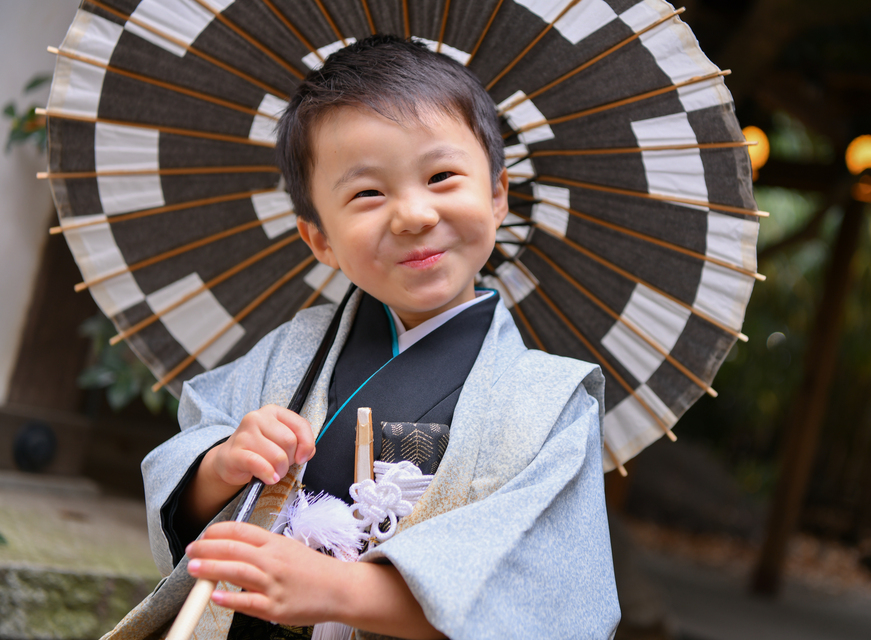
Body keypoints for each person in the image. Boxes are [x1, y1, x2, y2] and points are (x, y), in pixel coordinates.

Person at [113, 35, 619, 640]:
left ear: (496, 195)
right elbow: (186, 488)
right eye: (368, 193)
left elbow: (548, 600)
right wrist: (221, 465)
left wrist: (340, 590)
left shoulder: (550, 404)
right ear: (320, 239)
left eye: (441, 176)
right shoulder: (292, 352)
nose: (414, 215)